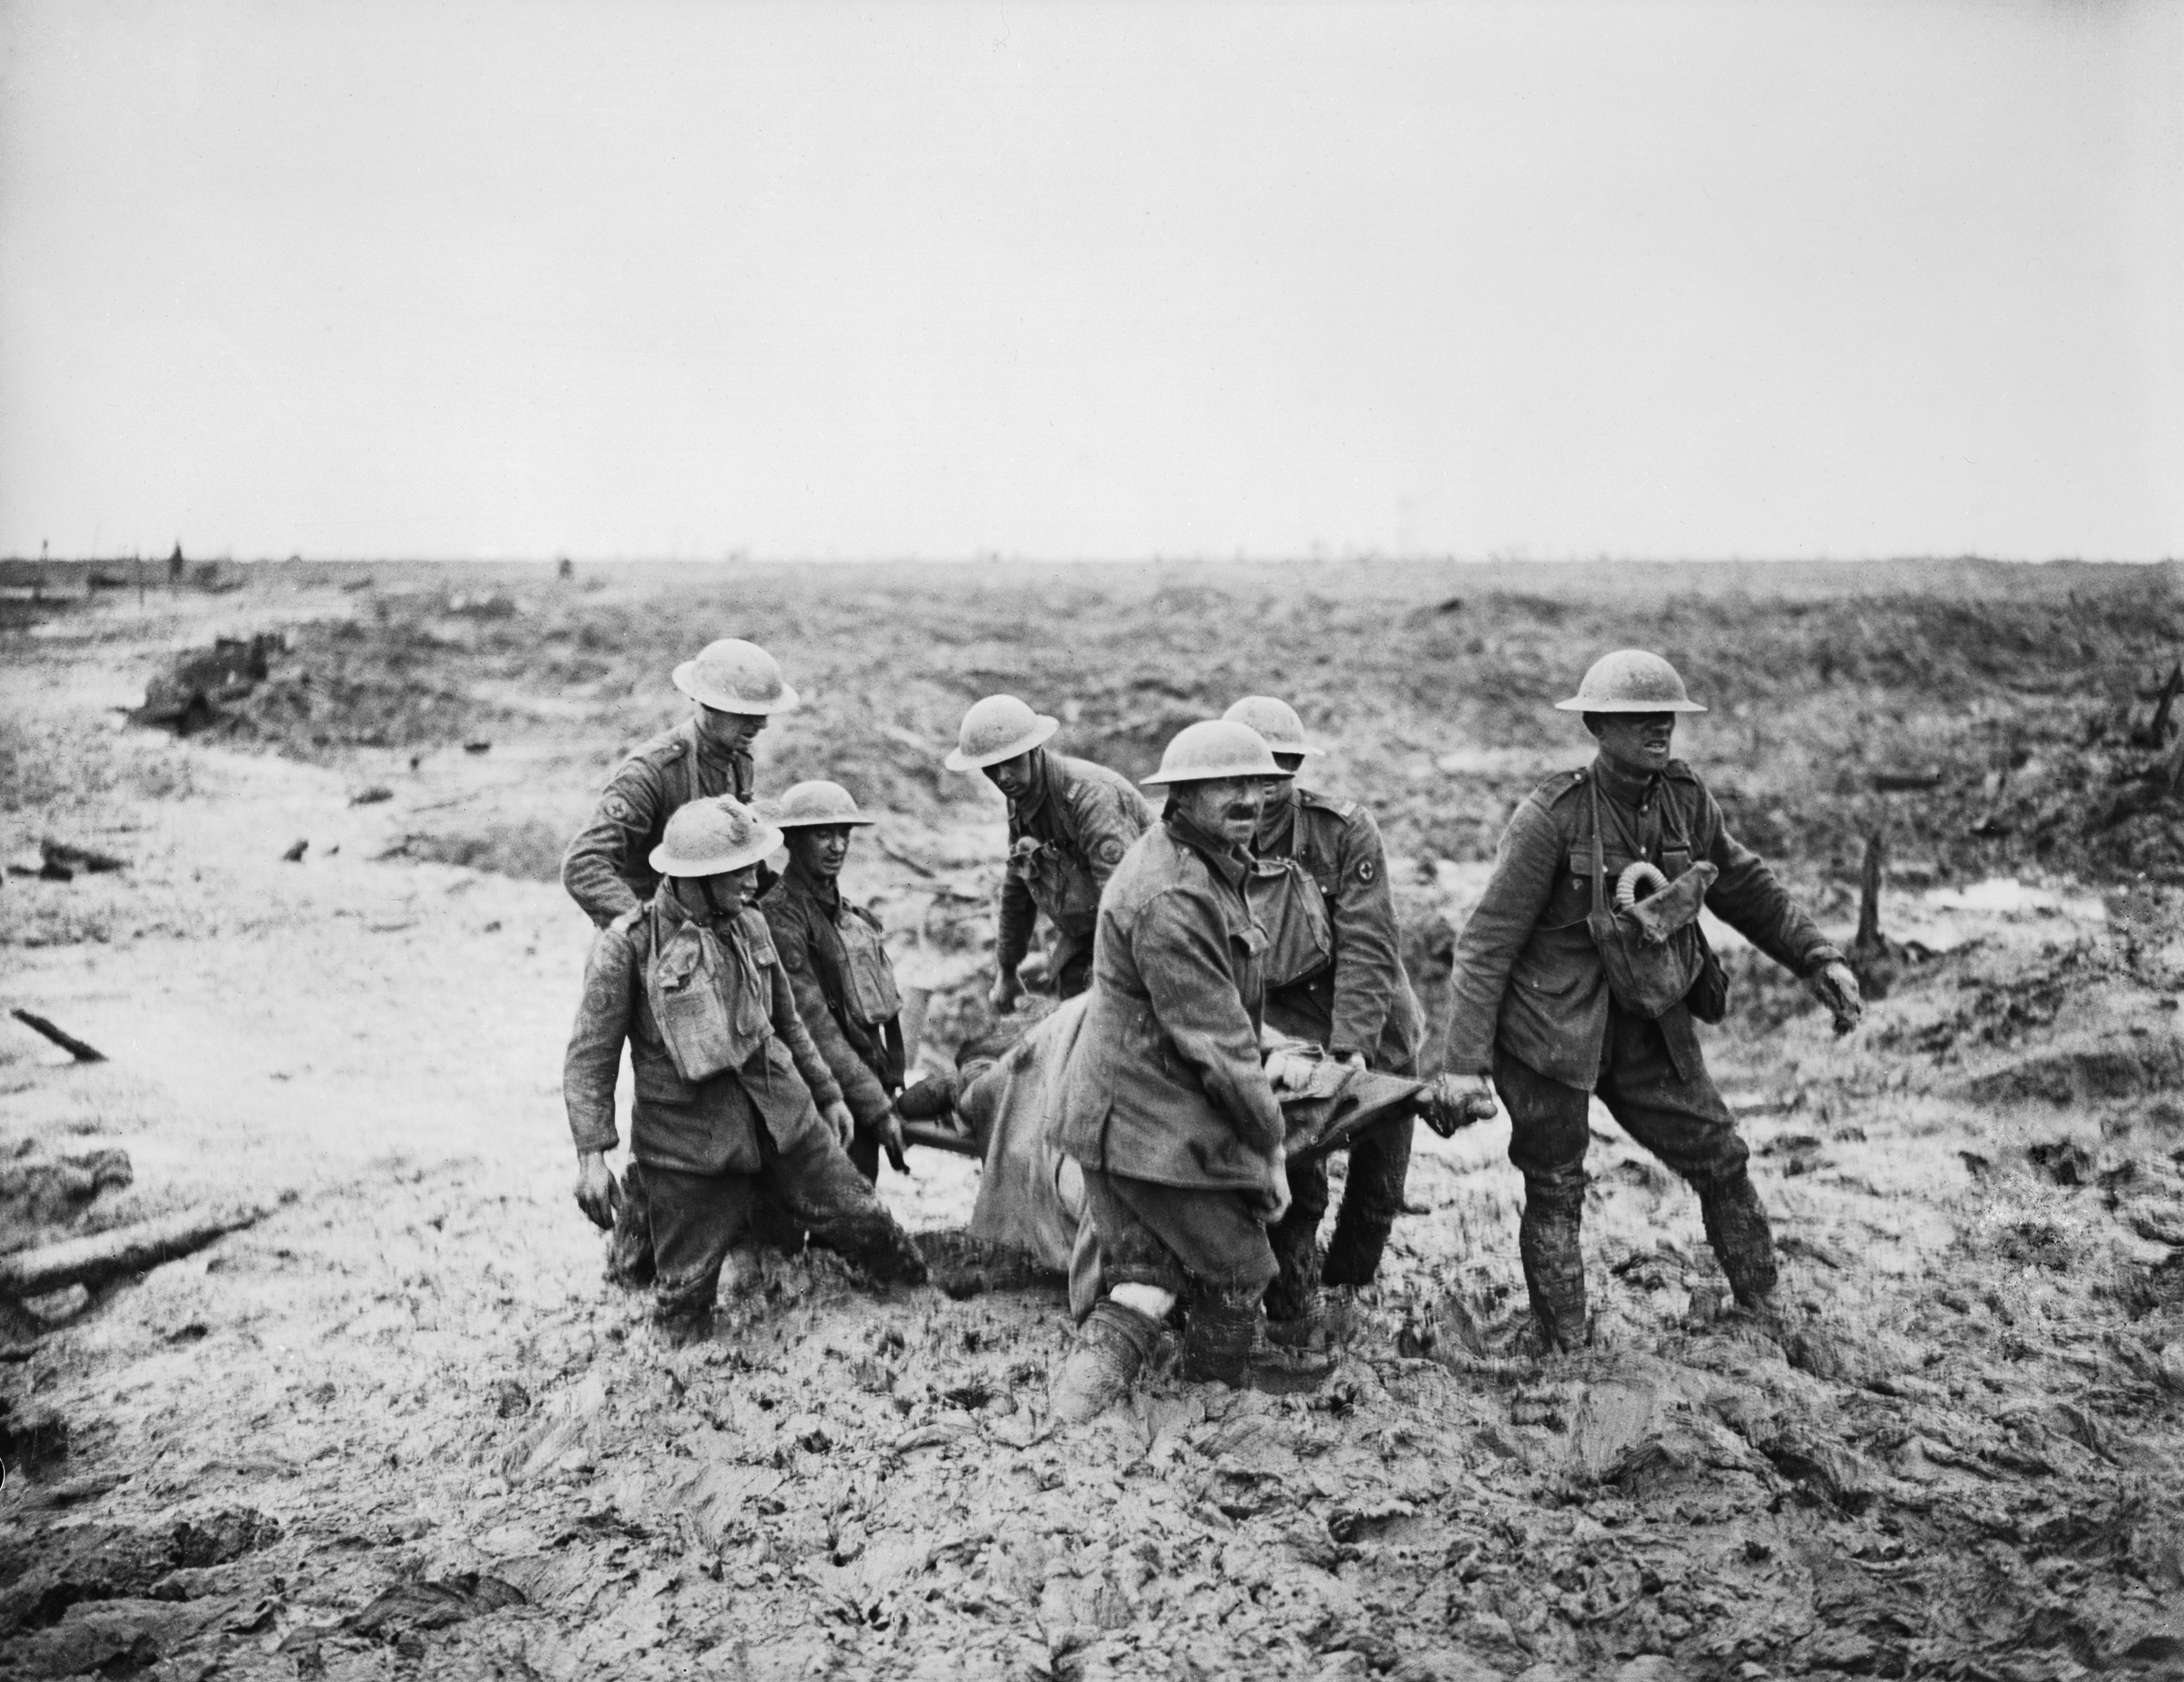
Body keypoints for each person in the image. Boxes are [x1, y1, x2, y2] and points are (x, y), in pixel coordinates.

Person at [1442, 650, 1863, 1354]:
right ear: (1599, 727)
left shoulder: (1687, 801)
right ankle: (1566, 1351)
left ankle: (1764, 1312)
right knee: (1554, 1185)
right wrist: (1461, 1065)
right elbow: (1485, 944)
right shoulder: (1552, 817)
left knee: (1722, 1155)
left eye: (1666, 716)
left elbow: (1745, 887)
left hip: (1648, 1025)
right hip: (1550, 1032)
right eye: (1640, 718)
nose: (1658, 729)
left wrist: (1817, 959)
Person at [562, 797, 926, 1341]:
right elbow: (590, 1058)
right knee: (684, 1307)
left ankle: (928, 1319)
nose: (754, 881)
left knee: (871, 1225)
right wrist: (592, 1157)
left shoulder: (752, 924)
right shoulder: (628, 948)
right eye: (738, 872)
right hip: (689, 1151)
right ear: (697, 878)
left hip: (787, 1123)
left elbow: (789, 1020)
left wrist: (827, 1096)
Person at [1046, 719, 1298, 1421]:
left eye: (1258, 784)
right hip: (1144, 1122)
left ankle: (1073, 1427)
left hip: (1126, 1110)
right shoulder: (1173, 895)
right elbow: (1218, 1046)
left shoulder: (1207, 864)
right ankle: (1205, 1413)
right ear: (1181, 797)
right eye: (1227, 785)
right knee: (1240, 1274)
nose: (1249, 798)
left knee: (1144, 1288)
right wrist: (1269, 1148)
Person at [561, 637, 798, 1285]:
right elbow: (584, 865)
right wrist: (645, 932)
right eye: (744, 714)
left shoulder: (734, 763)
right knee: (669, 1107)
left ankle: (736, 1224)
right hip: (651, 959)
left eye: (761, 715)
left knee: (726, 1083)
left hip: (708, 947)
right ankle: (642, 1247)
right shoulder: (653, 771)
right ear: (703, 705)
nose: (759, 726)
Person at [1222, 695, 1426, 1348]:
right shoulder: (1209, 837)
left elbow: (1369, 945)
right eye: (1254, 771)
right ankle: (1290, 1305)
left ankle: (1348, 1294)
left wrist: (1354, 1051)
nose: (1269, 786)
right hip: (1278, 1023)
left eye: (1284, 769)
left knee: (1378, 1182)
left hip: (1368, 1021)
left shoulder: (1343, 833)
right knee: (1292, 1173)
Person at [943, 694, 1151, 1009]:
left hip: (1143, 934)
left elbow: (1121, 901)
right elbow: (1018, 886)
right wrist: (1007, 969)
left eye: (1011, 762)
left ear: (1035, 751)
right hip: (1088, 936)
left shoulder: (1091, 797)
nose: (1002, 778)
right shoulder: (1022, 801)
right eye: (991, 768)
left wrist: (1107, 977)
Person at [757, 780, 911, 1183]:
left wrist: (888, 1088)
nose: (837, 847)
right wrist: (877, 1107)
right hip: (815, 1096)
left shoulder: (846, 915)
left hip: (856, 1089)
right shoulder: (781, 918)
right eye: (823, 834)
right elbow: (814, 1025)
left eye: (844, 834)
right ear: (791, 839)